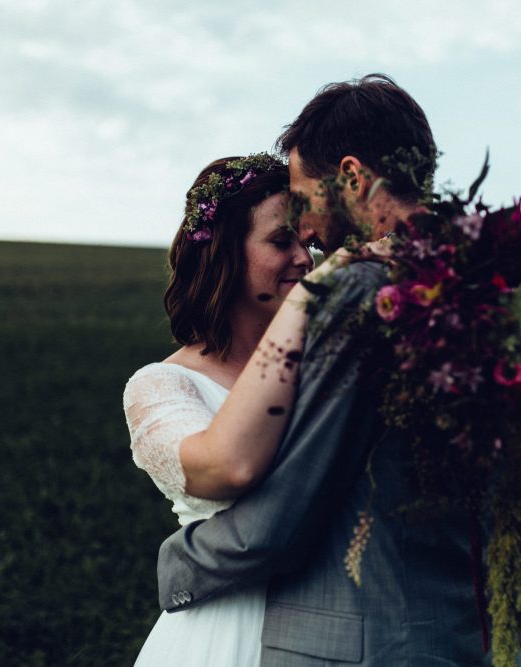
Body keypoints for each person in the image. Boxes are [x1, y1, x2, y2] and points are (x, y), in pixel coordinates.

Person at [157, 74, 491, 665]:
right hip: (453, 627)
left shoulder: (362, 293)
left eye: (306, 200)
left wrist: (177, 564)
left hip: (358, 642)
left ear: (354, 178)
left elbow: (283, 512)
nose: (308, 239)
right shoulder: (482, 285)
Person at [125, 153, 341, 665]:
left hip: (337, 627)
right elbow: (227, 468)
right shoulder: (163, 386)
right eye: (280, 240)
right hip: (226, 634)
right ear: (224, 254)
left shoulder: (329, 363)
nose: (306, 259)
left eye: (307, 242)